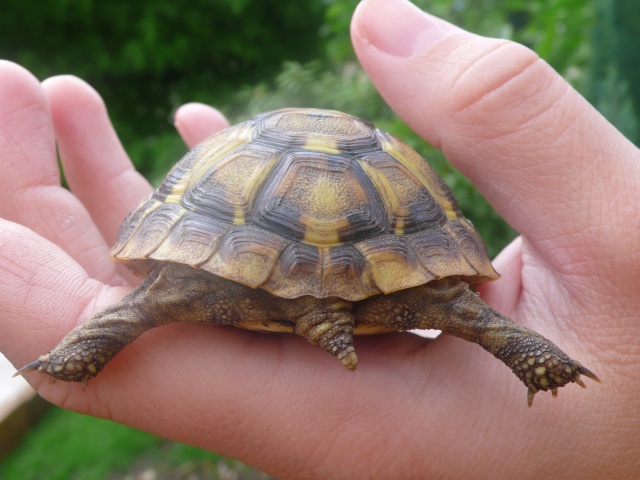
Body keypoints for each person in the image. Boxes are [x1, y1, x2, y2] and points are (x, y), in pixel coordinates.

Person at [1, 0, 637, 477]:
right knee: (457, 309)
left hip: (233, 272)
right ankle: (543, 365)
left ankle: (73, 359)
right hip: (376, 285)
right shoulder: (396, 295)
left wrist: (76, 359)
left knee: (146, 304)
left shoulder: (196, 287)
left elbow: (131, 309)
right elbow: (470, 311)